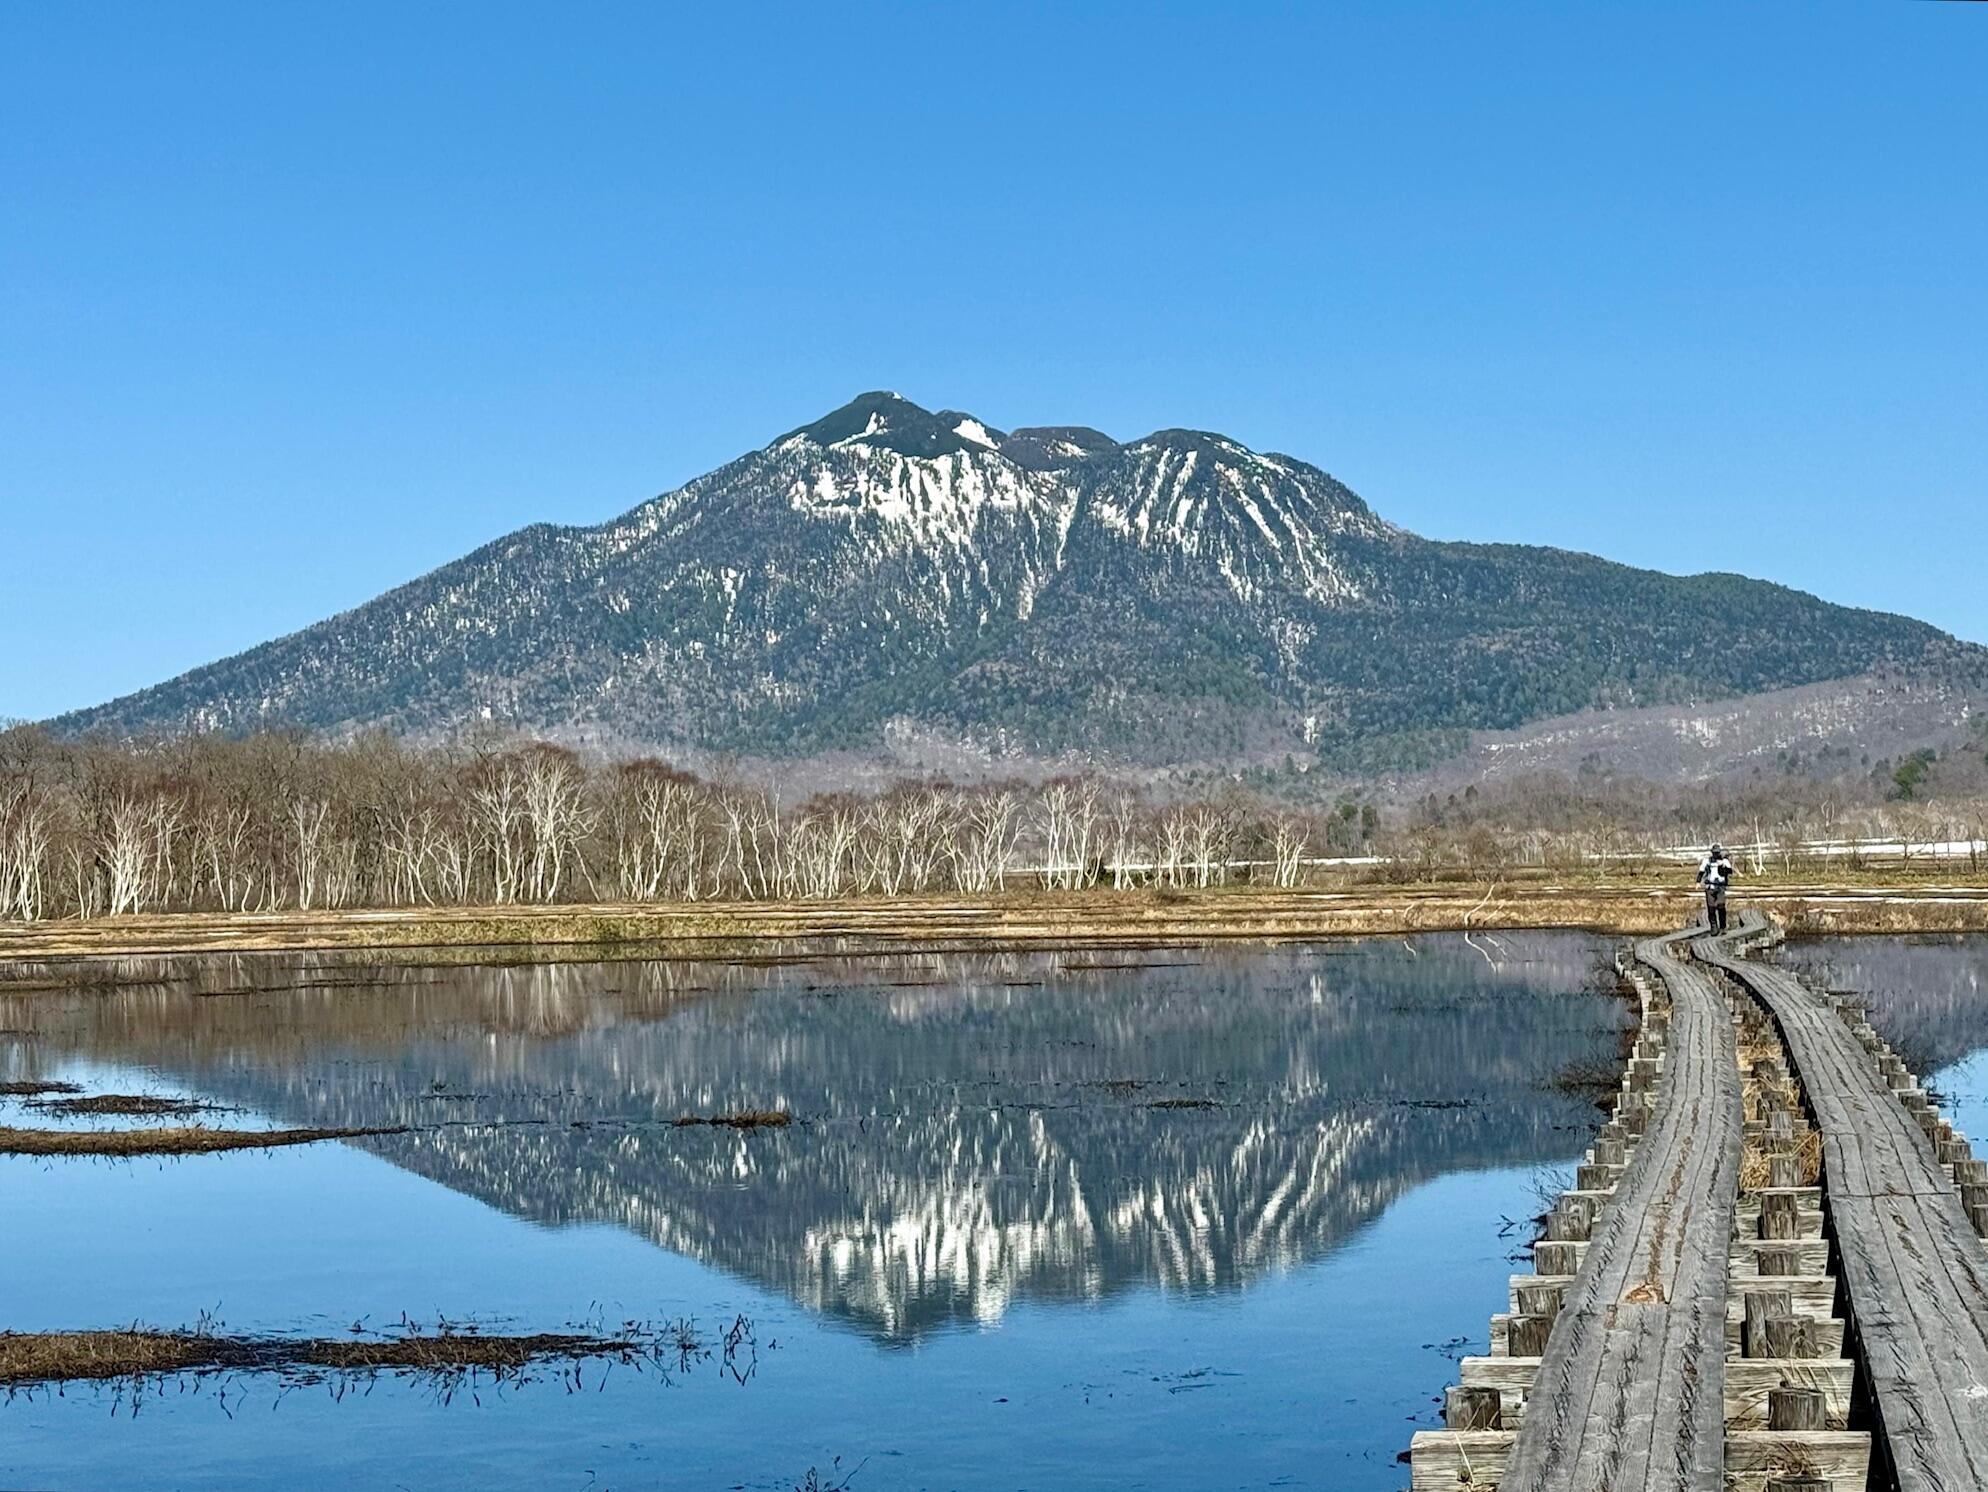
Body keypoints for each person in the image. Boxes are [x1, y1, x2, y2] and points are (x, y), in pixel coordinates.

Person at [1696, 843, 1736, 933]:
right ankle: (1713, 927)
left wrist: (1723, 866)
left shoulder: (1724, 861)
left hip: (1720, 887)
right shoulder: (1707, 861)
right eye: (1714, 853)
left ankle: (1722, 927)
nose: (1716, 855)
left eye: (1717, 853)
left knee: (1721, 906)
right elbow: (1701, 872)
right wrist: (1698, 882)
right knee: (1711, 908)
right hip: (1710, 887)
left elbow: (1730, 872)